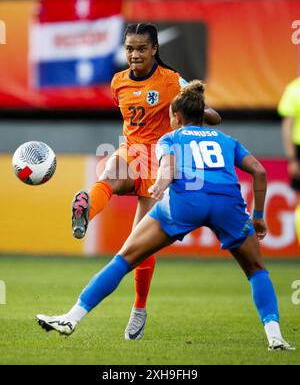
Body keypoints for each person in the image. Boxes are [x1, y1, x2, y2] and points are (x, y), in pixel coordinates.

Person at [37, 80, 294, 351]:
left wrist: (159, 185)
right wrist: (258, 215)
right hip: (227, 205)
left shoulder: (170, 137)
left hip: (186, 203)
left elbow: (168, 167)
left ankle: (71, 318)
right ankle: (275, 336)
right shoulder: (227, 140)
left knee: (124, 259)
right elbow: (260, 171)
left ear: (177, 117)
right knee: (256, 271)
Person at [70, 23, 221, 341]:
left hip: (160, 161)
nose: (134, 54)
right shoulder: (118, 82)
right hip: (131, 153)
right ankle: (85, 209)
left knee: (139, 243)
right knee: (108, 176)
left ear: (154, 49)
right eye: (129, 49)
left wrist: (205, 112)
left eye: (141, 48)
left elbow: (201, 110)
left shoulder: (171, 80)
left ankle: (138, 308)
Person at [278, 77, 300, 246]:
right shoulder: (294, 89)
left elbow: (287, 125)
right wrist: (293, 159)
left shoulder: (294, 88)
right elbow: (288, 125)